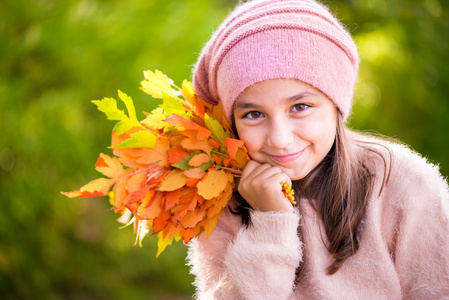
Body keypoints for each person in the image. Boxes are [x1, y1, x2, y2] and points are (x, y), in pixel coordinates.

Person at [187, 0, 449, 299]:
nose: (280, 139)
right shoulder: (220, 198)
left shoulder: (405, 184)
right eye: (254, 114)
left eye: (300, 107)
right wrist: (270, 222)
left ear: (336, 105)